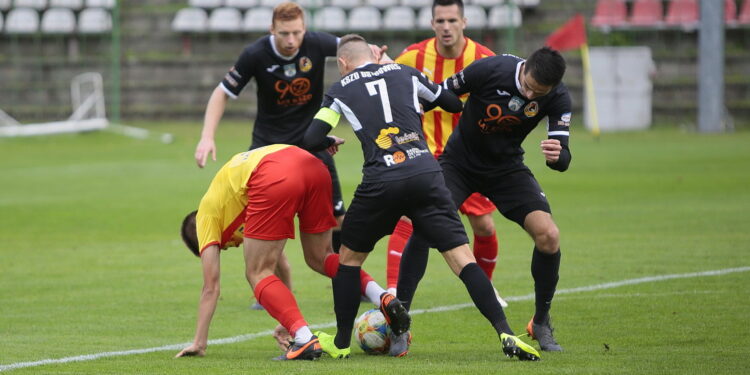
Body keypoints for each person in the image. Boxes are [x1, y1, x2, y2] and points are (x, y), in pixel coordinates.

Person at [301, 34, 540, 361]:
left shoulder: (341, 89)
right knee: (462, 259)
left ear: (342, 63)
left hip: (381, 181)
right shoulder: (404, 72)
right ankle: (505, 333)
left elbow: (311, 137)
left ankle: (341, 343)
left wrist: (327, 139)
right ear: (374, 54)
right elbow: (453, 103)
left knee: (348, 261)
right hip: (426, 175)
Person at [401, 46, 572, 353]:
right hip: (459, 164)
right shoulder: (490, 69)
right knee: (425, 228)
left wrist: (558, 157)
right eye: (529, 87)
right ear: (524, 68)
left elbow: (563, 155)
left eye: (540, 93)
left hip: (506, 169)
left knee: (549, 235)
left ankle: (542, 321)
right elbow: (439, 94)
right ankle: (400, 321)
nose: (532, 97)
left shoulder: (558, 97)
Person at [175, 145, 397, 360]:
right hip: (314, 166)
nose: (233, 246)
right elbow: (281, 265)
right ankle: (382, 296)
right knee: (320, 257)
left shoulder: (204, 217)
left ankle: (304, 338)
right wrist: (286, 318)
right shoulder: (232, 201)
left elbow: (210, 288)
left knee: (256, 272)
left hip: (273, 174)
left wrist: (199, 342)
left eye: (223, 247)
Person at [388, 0, 506, 308]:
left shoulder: (483, 58)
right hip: (425, 154)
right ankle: (393, 292)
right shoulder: (413, 56)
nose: (446, 27)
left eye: (452, 20)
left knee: (484, 226)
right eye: (440, 20)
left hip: (469, 156)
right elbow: (390, 83)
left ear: (464, 22)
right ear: (432, 24)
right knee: (408, 219)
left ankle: (486, 286)